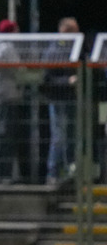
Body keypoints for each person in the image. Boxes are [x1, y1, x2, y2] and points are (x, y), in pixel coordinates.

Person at [0, 19, 26, 184]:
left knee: (3, 137)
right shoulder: (6, 48)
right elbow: (19, 70)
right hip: (8, 97)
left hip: (0, 97)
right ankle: (2, 175)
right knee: (6, 138)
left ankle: (2, 174)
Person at [41, 17, 80, 184]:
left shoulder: (72, 49)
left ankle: (68, 174)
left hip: (70, 99)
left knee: (70, 137)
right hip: (58, 100)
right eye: (75, 30)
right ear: (66, 31)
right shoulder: (54, 50)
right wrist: (68, 81)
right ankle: (53, 173)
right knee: (59, 136)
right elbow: (47, 78)